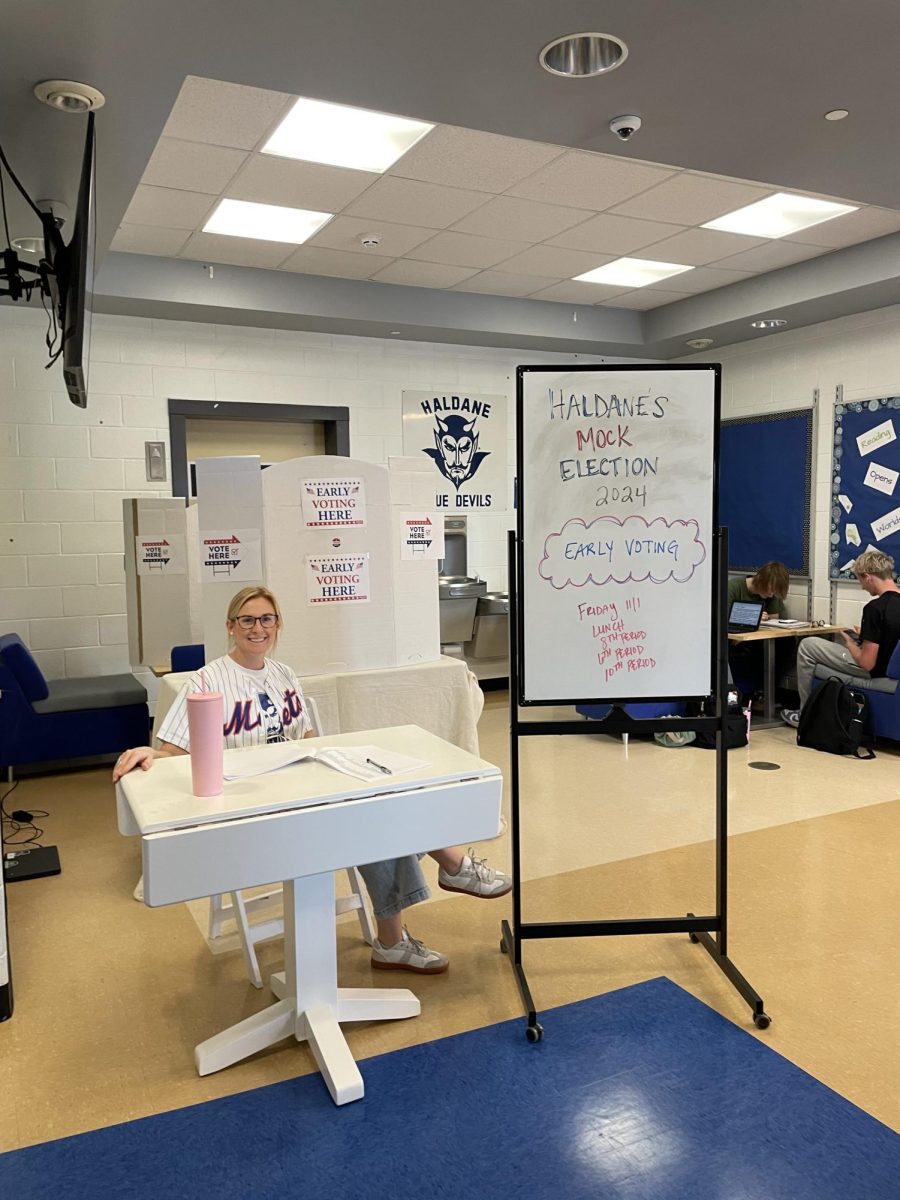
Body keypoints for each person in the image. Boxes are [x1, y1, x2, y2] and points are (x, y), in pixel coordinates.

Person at [113, 585, 510, 974]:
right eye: (247, 620)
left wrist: (335, 767)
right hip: (251, 808)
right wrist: (153, 753)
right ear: (230, 626)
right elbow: (176, 751)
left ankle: (400, 931)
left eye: (267, 619)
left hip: (302, 791)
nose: (258, 628)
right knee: (377, 821)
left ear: (278, 624)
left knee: (381, 800)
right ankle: (441, 880)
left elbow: (305, 739)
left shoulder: (284, 674)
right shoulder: (207, 681)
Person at [780, 550, 900, 727]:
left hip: (874, 671)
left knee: (808, 645)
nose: (862, 587)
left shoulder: (875, 608)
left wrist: (850, 643)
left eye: (860, 581)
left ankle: (805, 714)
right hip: (892, 666)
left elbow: (867, 663)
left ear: (868, 577)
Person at [726, 561, 791, 702]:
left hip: (757, 638)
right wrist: (751, 618)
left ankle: (765, 690)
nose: (770, 594)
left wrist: (762, 619)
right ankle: (748, 691)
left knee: (787, 643)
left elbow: (774, 618)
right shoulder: (734, 587)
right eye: (769, 589)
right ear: (760, 580)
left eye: (774, 592)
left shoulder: (770, 595)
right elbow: (723, 617)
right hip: (735, 638)